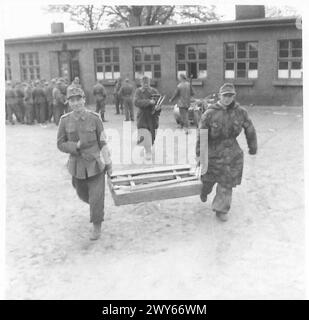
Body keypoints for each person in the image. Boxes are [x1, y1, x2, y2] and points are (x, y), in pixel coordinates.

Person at [195, 83, 257, 221]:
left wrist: (252, 147)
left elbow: (250, 128)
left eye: (230, 96)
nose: (228, 99)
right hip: (213, 153)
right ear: (219, 96)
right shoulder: (210, 113)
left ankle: (221, 209)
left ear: (234, 96)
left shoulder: (240, 112)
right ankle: (205, 191)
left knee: (227, 182)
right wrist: (200, 155)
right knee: (208, 181)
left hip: (231, 153)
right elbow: (202, 135)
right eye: (225, 96)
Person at [57, 87, 112, 240]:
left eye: (78, 99)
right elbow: (60, 144)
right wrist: (75, 146)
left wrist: (109, 163)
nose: (76, 103)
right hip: (77, 166)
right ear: (68, 102)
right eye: (72, 100)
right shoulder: (64, 120)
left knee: (96, 197)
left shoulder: (94, 118)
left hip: (95, 165)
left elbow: (103, 142)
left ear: (84, 100)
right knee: (82, 193)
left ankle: (96, 225)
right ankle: (96, 207)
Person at [133, 76, 161, 161]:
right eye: (143, 82)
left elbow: (159, 102)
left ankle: (149, 147)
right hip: (143, 116)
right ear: (141, 83)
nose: (145, 84)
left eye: (147, 82)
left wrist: (158, 108)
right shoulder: (138, 91)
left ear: (149, 82)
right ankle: (148, 150)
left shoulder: (154, 91)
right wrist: (149, 102)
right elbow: (136, 102)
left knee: (152, 134)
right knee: (144, 133)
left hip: (153, 116)